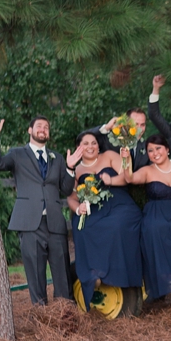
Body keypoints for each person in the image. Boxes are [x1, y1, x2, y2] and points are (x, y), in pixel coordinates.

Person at [0, 111, 83, 305]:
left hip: (55, 224)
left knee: (62, 275)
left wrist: (71, 168)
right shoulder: (17, 154)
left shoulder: (57, 157)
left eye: (46, 127)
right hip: (29, 223)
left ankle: (64, 319)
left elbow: (65, 189)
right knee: (36, 276)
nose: (43, 129)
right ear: (30, 130)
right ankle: (41, 320)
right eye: (39, 126)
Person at [67, 132, 142, 310]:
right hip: (93, 209)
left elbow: (127, 176)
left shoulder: (109, 156)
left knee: (116, 225)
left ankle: (117, 274)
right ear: (79, 147)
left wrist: (111, 180)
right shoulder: (76, 170)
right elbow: (71, 197)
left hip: (118, 203)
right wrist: (78, 208)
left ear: (99, 146)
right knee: (83, 228)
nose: (91, 146)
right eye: (86, 143)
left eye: (94, 143)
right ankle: (93, 275)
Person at [124, 134, 171, 300]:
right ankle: (161, 282)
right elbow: (129, 178)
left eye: (158, 148)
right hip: (155, 211)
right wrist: (125, 160)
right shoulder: (147, 170)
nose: (155, 153)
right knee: (153, 230)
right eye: (150, 150)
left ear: (167, 149)